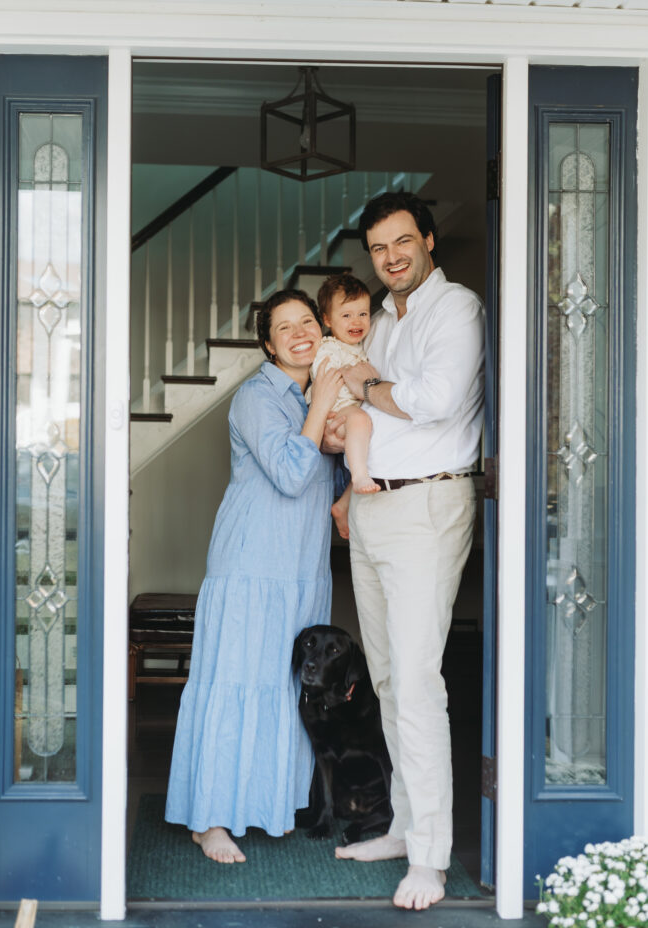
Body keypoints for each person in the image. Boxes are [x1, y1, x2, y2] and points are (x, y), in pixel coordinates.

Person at [327, 191, 485, 911]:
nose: (390, 258)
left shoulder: (457, 309)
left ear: (427, 239)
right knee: (388, 678)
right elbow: (375, 416)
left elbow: (436, 401)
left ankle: (429, 858)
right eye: (378, 248)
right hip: (373, 503)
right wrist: (347, 490)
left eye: (401, 242)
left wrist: (365, 381)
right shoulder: (381, 320)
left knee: (418, 684)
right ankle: (403, 824)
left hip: (428, 503)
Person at [165, 289, 344, 864]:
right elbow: (293, 474)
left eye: (308, 322)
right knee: (234, 683)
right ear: (268, 345)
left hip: (302, 566)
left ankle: (267, 805)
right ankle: (209, 820)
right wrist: (322, 400)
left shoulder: (319, 393)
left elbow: (332, 485)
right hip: (250, 565)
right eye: (284, 327)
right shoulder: (256, 398)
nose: (299, 332)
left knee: (283, 686)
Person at [308, 272, 380, 497]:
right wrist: (366, 384)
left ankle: (345, 500)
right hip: (336, 412)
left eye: (363, 314)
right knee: (360, 420)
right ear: (327, 320)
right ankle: (359, 477)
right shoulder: (329, 349)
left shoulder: (361, 346)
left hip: (352, 409)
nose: (356, 321)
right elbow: (329, 383)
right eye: (347, 315)